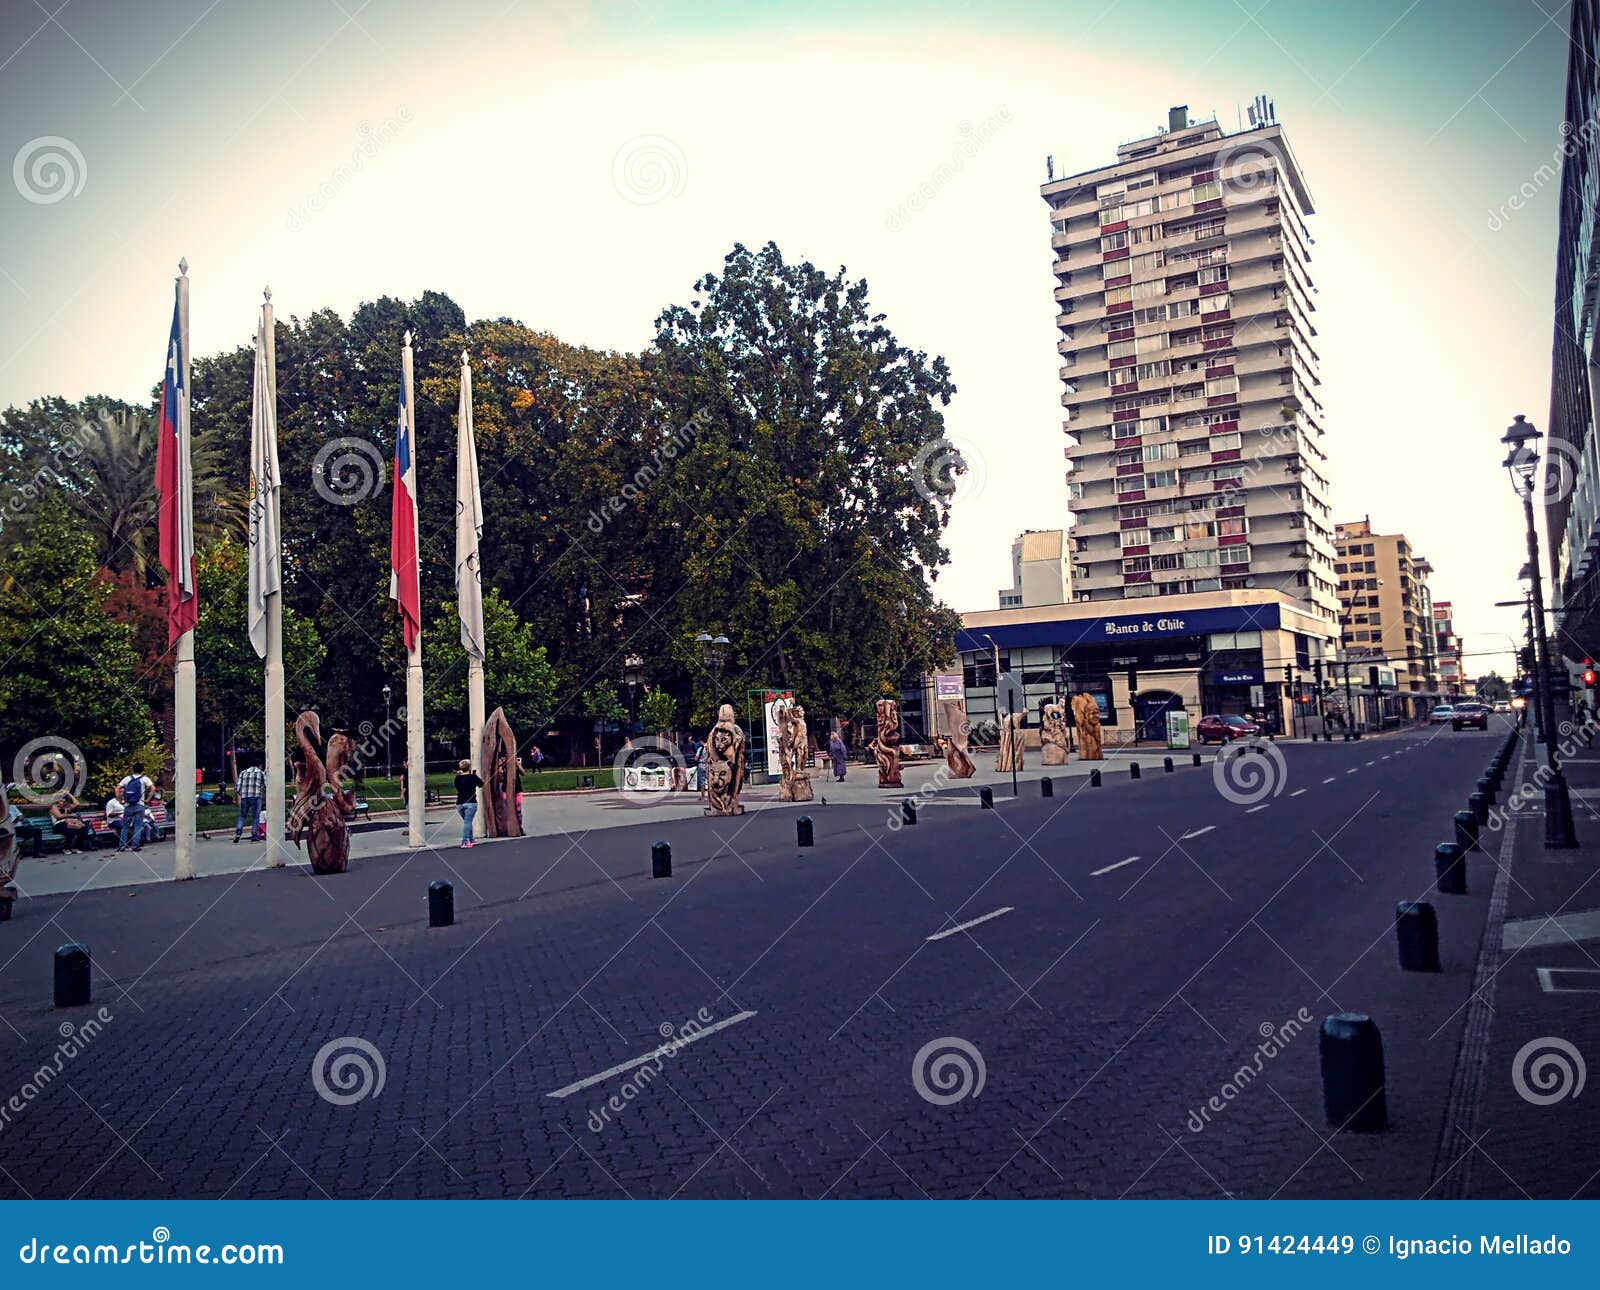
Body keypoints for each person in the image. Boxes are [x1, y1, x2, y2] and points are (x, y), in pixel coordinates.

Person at [116, 763, 154, 853]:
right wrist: (148, 799)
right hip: (139, 805)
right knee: (138, 826)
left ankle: (122, 846)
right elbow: (153, 788)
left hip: (128, 805)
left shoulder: (127, 779)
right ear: (142, 770)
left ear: (132, 770)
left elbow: (117, 789)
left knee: (125, 827)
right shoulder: (145, 779)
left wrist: (120, 800)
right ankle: (135, 846)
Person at [234, 759, 266, 844]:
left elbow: (238, 788)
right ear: (259, 765)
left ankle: (238, 833)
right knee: (255, 817)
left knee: (242, 816)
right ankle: (254, 836)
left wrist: (242, 794)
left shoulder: (243, 773)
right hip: (256, 797)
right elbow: (266, 784)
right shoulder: (261, 773)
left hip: (245, 797)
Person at [454, 759, 483, 848]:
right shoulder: (472, 777)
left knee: (467, 822)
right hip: (471, 802)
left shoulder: (457, 778)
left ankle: (471, 839)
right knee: (468, 822)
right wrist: (476, 776)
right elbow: (481, 784)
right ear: (469, 767)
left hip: (459, 803)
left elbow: (457, 787)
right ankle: (465, 841)